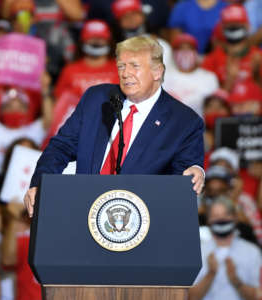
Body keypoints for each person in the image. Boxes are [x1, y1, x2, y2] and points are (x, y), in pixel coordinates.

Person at [24, 35, 205, 217]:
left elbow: (183, 176)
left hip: (141, 224)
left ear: (157, 72)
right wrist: (40, 183)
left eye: (135, 66)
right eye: (121, 66)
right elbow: (61, 146)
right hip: (84, 212)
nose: (125, 73)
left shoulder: (184, 122)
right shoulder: (96, 99)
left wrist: (194, 171)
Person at [190, 196, 262, 300]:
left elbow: (257, 296)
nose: (221, 219)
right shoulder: (198, 251)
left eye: (226, 214)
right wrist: (211, 273)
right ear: (209, 220)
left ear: (235, 218)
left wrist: (235, 280)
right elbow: (191, 297)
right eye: (215, 216)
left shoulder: (252, 252)